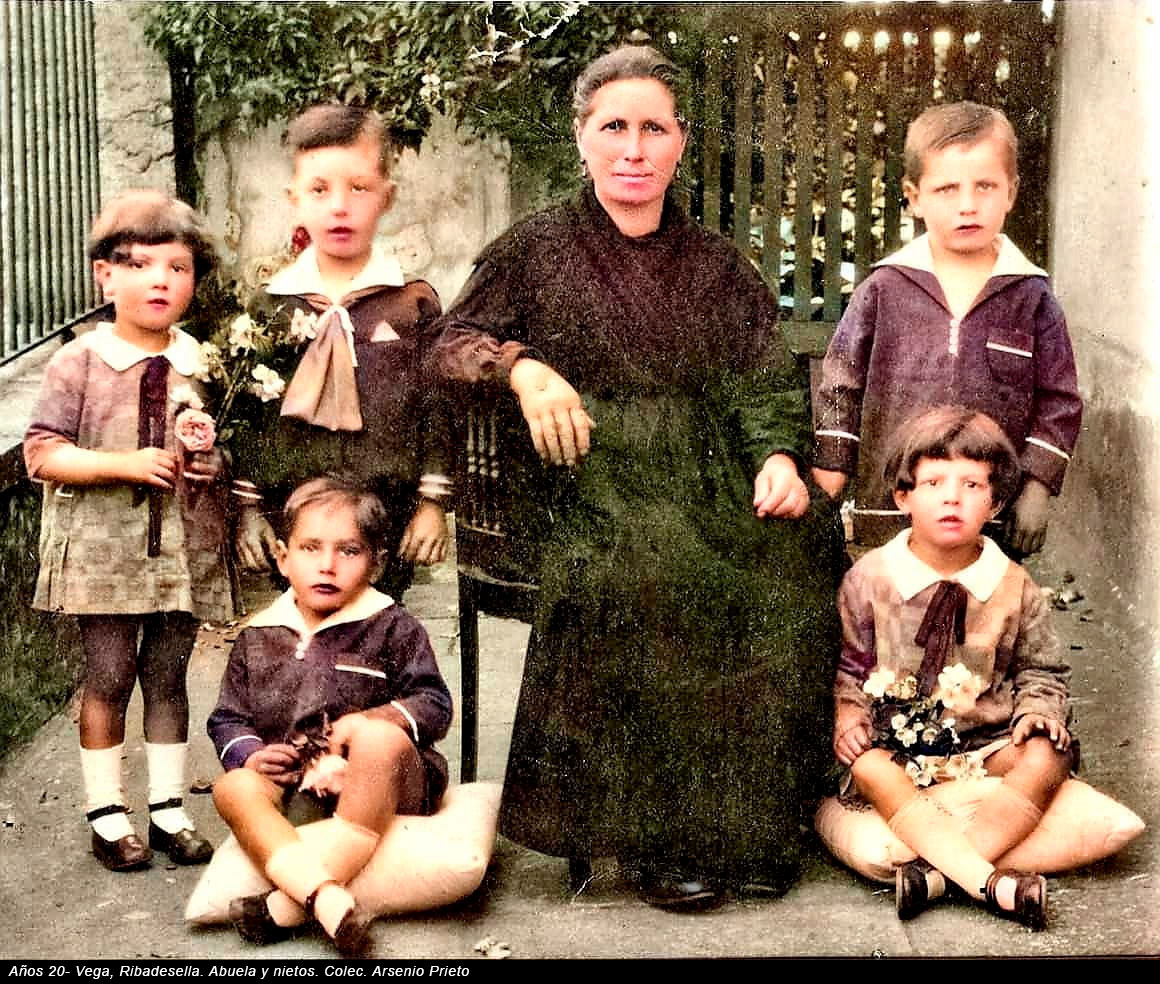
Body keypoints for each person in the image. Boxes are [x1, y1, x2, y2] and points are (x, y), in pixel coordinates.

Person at [431, 45, 847, 910]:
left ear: (681, 142)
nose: (633, 148)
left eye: (653, 128)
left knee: (800, 543)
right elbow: (448, 344)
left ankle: (755, 824)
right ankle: (656, 837)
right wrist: (522, 369)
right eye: (613, 126)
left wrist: (776, 455)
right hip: (577, 479)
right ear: (581, 137)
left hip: (702, 468)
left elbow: (762, 377)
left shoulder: (716, 263)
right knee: (655, 562)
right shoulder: (536, 247)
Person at [23, 190, 230, 872]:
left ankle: (168, 812)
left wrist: (210, 459)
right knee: (110, 673)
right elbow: (42, 454)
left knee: (168, 676)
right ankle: (107, 815)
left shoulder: (201, 361)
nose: (159, 281)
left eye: (177, 267)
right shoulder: (80, 360)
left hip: (178, 548)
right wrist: (124, 464)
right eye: (139, 265)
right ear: (105, 277)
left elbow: (216, 453)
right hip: (103, 550)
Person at [832, 406, 1075, 930]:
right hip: (898, 749)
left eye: (972, 485)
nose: (952, 498)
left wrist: (1038, 712)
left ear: (996, 502)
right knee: (867, 766)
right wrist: (849, 715)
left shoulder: (1014, 585)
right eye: (934, 482)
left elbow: (1042, 670)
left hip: (983, 746)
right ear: (903, 496)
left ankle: (942, 875)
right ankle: (989, 882)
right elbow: (850, 666)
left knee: (1051, 752)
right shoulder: (870, 578)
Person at [812, 101, 1082, 559]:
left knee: (985, 602)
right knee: (889, 601)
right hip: (895, 510)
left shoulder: (1031, 296)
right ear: (914, 196)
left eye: (985, 186)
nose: (967, 205)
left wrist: (1038, 485)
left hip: (990, 516)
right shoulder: (884, 289)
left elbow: (1060, 400)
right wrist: (832, 472)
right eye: (947, 189)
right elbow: (842, 383)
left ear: (1011, 192)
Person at [208, 476, 452, 956]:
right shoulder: (258, 636)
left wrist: (371, 721)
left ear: (377, 563)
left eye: (349, 551)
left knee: (379, 739)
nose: (327, 565)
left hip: (383, 782)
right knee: (233, 787)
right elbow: (227, 719)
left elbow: (433, 702)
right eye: (310, 548)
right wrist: (252, 755)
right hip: (298, 785)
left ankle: (287, 905)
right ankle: (325, 896)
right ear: (283, 558)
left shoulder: (393, 626)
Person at [231, 103, 451, 600]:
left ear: (387, 197)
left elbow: (438, 408)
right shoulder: (271, 307)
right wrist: (248, 510)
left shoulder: (410, 303)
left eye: (358, 188)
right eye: (319, 189)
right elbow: (249, 418)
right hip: (293, 515)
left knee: (378, 630)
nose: (339, 206)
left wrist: (431, 503)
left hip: (385, 515)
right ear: (294, 200)